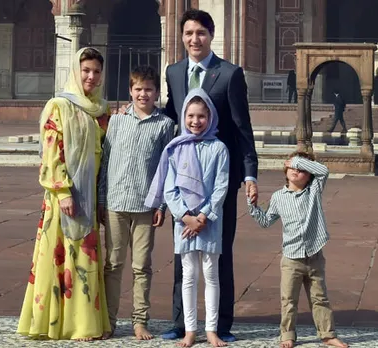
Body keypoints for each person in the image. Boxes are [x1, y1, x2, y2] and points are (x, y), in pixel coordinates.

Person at [161, 9, 259, 342]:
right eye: (188, 33)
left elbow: (242, 127)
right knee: (182, 254)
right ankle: (180, 322)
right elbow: (171, 117)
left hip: (220, 177)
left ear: (211, 35)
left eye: (200, 33)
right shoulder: (174, 72)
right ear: (182, 36)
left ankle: (222, 324)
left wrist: (250, 174)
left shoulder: (229, 74)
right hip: (185, 177)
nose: (194, 39)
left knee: (221, 253)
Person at [17, 47, 112, 341]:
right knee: (61, 256)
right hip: (64, 198)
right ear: (75, 71)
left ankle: (82, 323)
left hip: (89, 194)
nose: (91, 76)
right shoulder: (59, 106)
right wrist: (63, 191)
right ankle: (57, 323)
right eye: (86, 70)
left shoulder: (101, 110)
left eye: (96, 71)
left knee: (85, 259)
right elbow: (51, 153)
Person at [145, 88, 229, 348]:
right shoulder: (176, 148)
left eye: (201, 116)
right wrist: (185, 216)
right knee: (189, 274)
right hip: (184, 223)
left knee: (211, 274)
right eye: (191, 116)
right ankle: (191, 330)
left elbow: (221, 186)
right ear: (184, 117)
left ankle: (212, 329)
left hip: (209, 221)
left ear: (210, 117)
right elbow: (170, 188)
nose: (195, 121)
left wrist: (203, 216)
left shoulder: (218, 148)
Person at [98, 65, 175, 340]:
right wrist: (101, 201)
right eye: (138, 89)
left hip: (145, 205)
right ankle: (108, 319)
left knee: (142, 266)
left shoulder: (165, 125)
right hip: (116, 203)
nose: (143, 94)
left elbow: (167, 169)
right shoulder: (116, 121)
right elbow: (106, 162)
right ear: (130, 91)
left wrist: (162, 205)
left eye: (149, 89)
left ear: (157, 92)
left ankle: (140, 321)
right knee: (114, 264)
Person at [247, 151, 348, 348]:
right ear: (285, 170)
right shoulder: (278, 197)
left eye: (302, 169)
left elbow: (324, 171)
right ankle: (288, 335)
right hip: (291, 258)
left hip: (314, 254)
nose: (297, 170)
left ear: (309, 175)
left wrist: (297, 160)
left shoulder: (314, 190)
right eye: (293, 167)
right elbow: (266, 221)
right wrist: (253, 206)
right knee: (288, 300)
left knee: (320, 298)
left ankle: (327, 334)